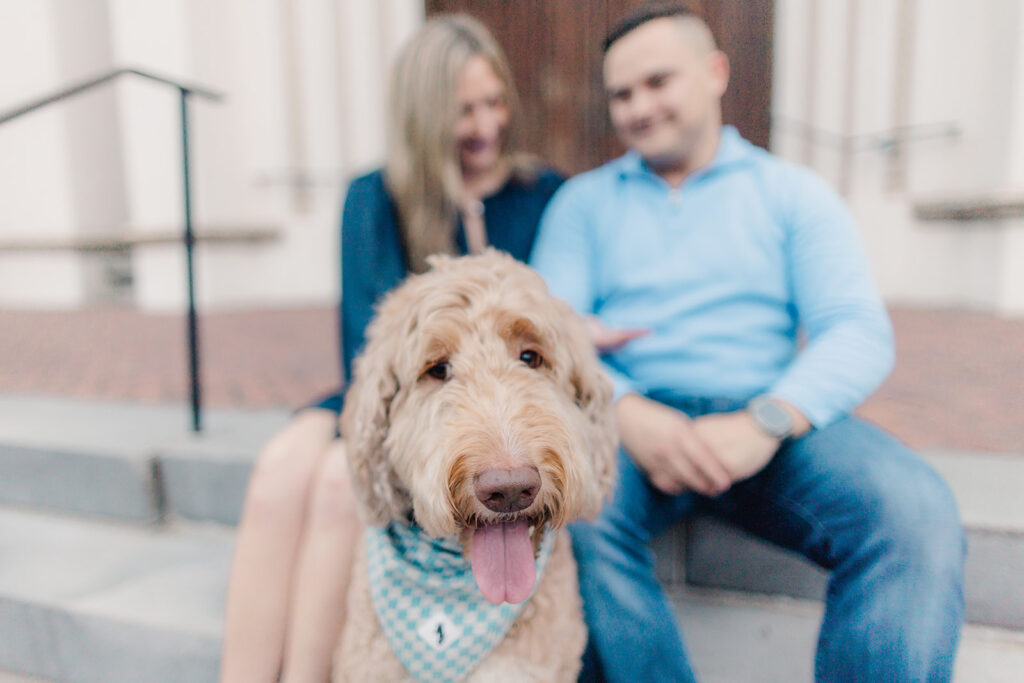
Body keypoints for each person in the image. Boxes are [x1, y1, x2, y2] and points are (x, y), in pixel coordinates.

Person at [529, 4, 966, 682]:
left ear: (714, 73)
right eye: (621, 94)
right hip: (623, 421)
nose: (639, 107)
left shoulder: (792, 194)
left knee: (916, 513)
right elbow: (545, 336)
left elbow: (857, 329)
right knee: (571, 518)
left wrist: (767, 420)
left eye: (657, 82)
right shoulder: (582, 206)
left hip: (767, 415)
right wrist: (624, 409)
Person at [218, 15, 563, 683]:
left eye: (495, 103)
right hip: (391, 387)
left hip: (489, 409)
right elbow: (361, 345)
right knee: (274, 480)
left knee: (331, 485)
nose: (487, 126)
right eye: (464, 111)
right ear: (423, 115)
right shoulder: (373, 198)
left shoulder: (543, 193)